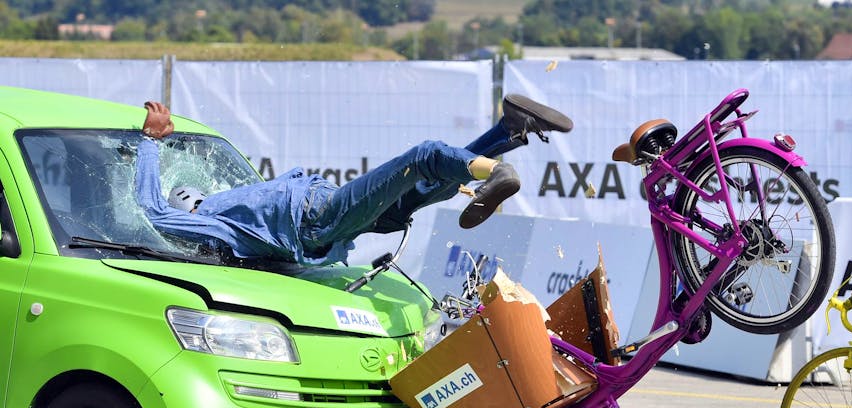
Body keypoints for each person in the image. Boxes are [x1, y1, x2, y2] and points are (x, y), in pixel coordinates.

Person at [136, 94, 572, 266]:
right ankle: (498, 170)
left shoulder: (230, 221)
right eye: (195, 199)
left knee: (427, 183)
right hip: (320, 217)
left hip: (337, 223)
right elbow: (153, 212)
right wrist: (150, 142)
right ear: (191, 205)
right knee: (423, 157)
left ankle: (509, 130)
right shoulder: (209, 223)